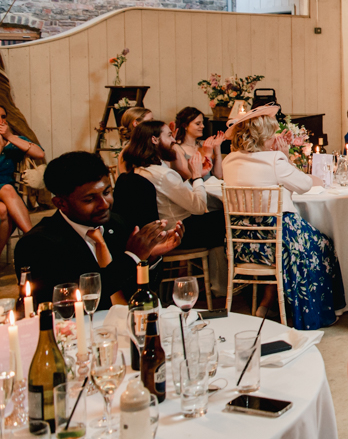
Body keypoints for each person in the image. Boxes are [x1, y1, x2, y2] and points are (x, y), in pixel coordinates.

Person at [223, 105, 345, 329]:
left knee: (301, 241)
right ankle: (316, 311)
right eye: (272, 135)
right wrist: (286, 157)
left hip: (244, 244)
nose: (275, 139)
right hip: (278, 241)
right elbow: (305, 184)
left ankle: (267, 303)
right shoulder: (274, 160)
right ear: (262, 137)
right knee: (323, 243)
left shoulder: (229, 160)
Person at [14, 151, 183, 309]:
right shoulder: (37, 244)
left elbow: (140, 289)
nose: (104, 204)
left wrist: (149, 257)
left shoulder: (116, 223)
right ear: (60, 203)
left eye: (107, 192)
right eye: (89, 199)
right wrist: (131, 257)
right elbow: (71, 303)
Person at [123, 120, 227, 254]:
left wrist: (199, 175)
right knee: (228, 218)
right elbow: (199, 207)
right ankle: (223, 272)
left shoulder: (142, 169)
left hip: (166, 229)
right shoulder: (164, 175)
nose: (174, 140)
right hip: (179, 233)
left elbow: (180, 192)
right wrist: (196, 176)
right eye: (169, 136)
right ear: (155, 140)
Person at [0, 104, 44, 253]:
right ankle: (33, 237)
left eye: (3, 117)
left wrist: (10, 137)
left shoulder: (14, 141)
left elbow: (39, 154)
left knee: (3, 210)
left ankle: (32, 238)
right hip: (7, 190)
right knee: (6, 189)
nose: (1, 121)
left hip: (8, 195)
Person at [173, 107, 225, 180]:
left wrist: (217, 148)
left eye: (202, 123)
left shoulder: (204, 144)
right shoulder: (177, 147)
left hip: (212, 187)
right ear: (185, 126)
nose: (202, 126)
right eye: (198, 124)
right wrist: (207, 155)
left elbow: (218, 175)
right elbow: (189, 177)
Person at [115, 106, 152, 175]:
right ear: (136, 123)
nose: (153, 124)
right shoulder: (129, 151)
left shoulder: (144, 147)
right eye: (150, 121)